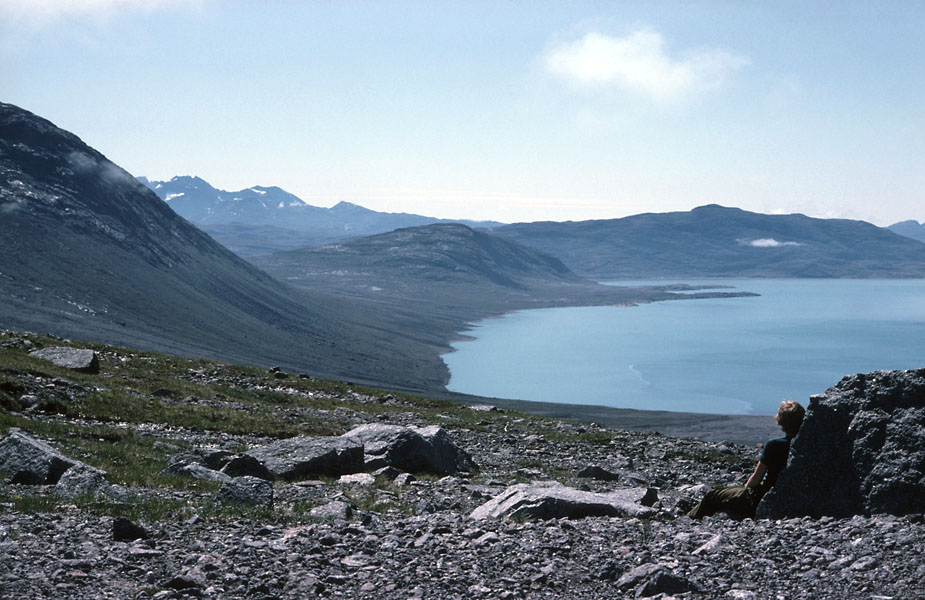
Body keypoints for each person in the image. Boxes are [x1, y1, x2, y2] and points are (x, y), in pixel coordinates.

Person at [687, 400, 806, 520]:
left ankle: (688, 520)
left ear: (781, 421)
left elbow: (756, 478)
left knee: (711, 495)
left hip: (762, 495)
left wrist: (743, 493)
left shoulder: (774, 445)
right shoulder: (807, 446)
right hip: (792, 497)